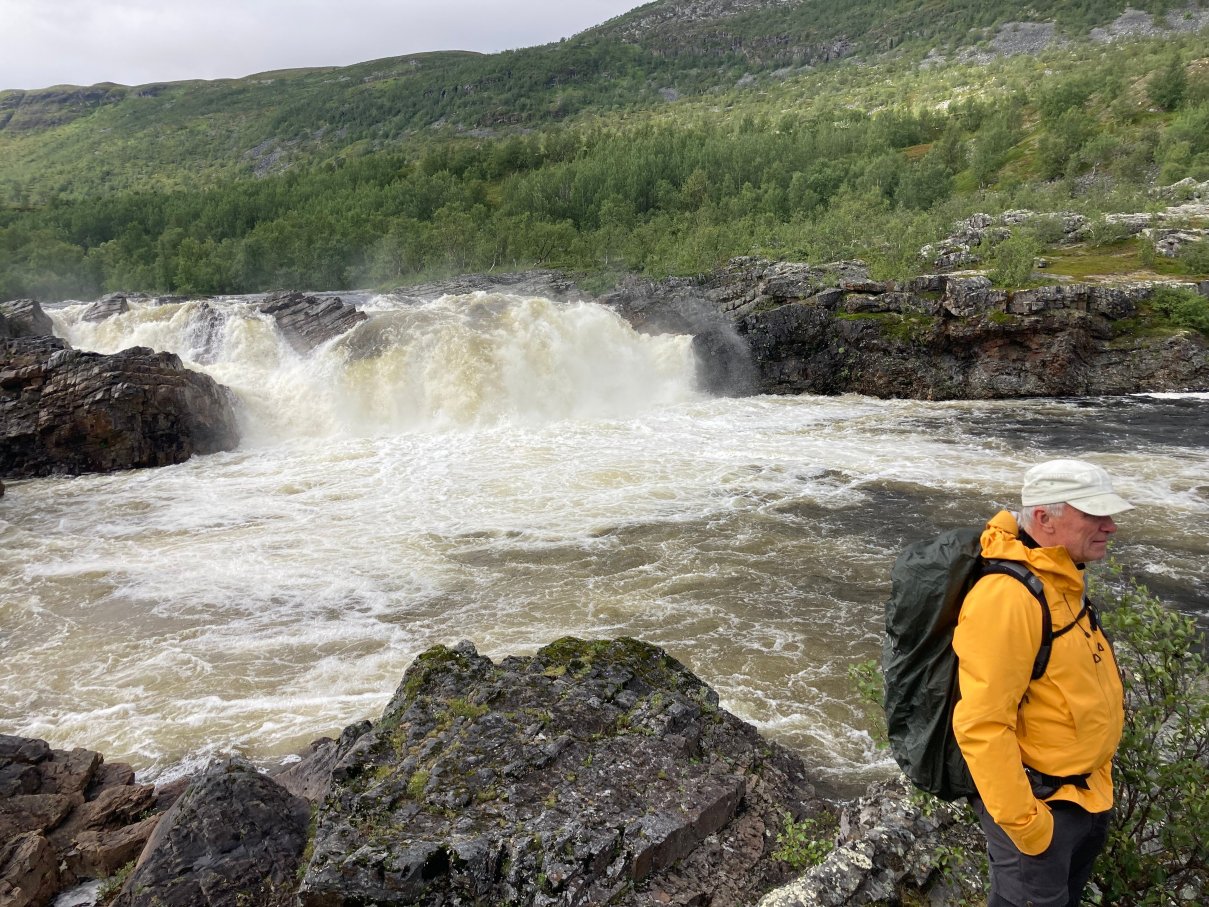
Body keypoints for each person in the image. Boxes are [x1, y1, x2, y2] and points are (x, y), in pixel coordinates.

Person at [953, 459, 1130, 906]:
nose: (1110, 526)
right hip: (1041, 813)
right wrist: (1028, 827)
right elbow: (981, 724)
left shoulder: (1061, 578)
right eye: (1094, 514)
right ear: (1044, 519)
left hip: (1084, 798)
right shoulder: (1008, 597)